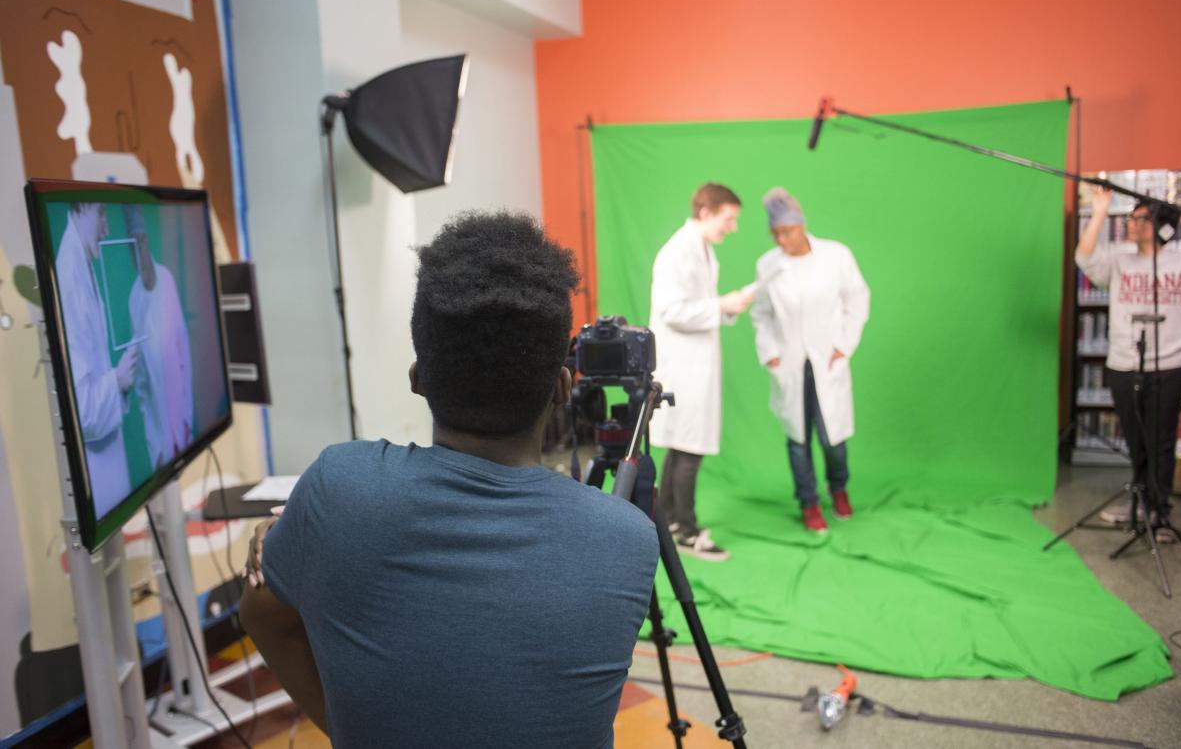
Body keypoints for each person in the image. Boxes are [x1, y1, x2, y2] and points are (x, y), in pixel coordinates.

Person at [239, 211, 659, 748]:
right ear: (562, 388)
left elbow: (263, 617)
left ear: (419, 379)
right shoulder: (627, 538)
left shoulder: (337, 487)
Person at [750, 188, 870, 533]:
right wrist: (770, 353)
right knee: (798, 439)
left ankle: (839, 488)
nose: (782, 239)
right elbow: (761, 315)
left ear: (801, 225)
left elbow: (857, 299)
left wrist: (844, 345)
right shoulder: (768, 265)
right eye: (775, 233)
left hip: (826, 359)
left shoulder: (836, 256)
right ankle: (809, 502)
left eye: (787, 231)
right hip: (789, 362)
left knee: (832, 438)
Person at [649, 182, 754, 561]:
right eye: (729, 219)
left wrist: (724, 307)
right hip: (683, 366)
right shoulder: (679, 251)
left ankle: (673, 522)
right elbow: (673, 310)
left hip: (693, 362)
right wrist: (721, 304)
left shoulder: (700, 249)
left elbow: (696, 305)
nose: (733, 227)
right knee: (688, 448)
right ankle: (686, 531)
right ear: (706, 212)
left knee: (682, 447)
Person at [1077, 187, 1181, 541]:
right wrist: (1099, 211)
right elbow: (1084, 256)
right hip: (1124, 366)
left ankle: (1160, 512)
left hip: (1169, 367)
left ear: (1161, 226)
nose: (1131, 224)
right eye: (1132, 218)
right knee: (1137, 441)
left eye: (1140, 219)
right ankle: (1140, 504)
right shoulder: (1118, 260)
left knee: (1161, 442)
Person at [55, 202, 139, 517]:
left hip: (109, 469)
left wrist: (120, 381)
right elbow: (84, 412)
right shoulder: (68, 277)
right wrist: (117, 380)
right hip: (97, 473)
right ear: (81, 209)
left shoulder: (81, 264)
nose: (107, 229)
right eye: (101, 214)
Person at [125, 206, 193, 469]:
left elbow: (183, 353)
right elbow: (141, 386)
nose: (138, 253)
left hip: (183, 424)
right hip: (161, 439)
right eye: (133, 245)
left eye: (141, 242)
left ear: (146, 242)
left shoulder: (166, 279)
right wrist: (156, 447)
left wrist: (187, 419)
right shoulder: (134, 299)